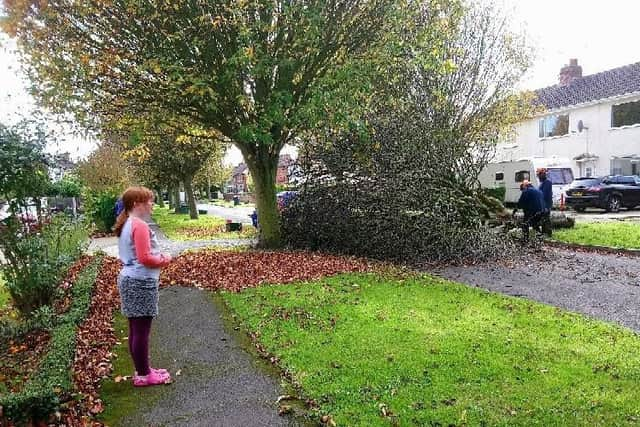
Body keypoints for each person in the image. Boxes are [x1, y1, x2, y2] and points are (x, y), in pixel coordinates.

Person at [114, 187, 172, 387]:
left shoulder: (128, 223)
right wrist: (164, 259)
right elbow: (145, 258)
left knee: (135, 329)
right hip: (140, 282)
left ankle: (143, 370)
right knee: (141, 331)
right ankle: (144, 375)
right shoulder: (138, 225)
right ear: (136, 203)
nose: (152, 204)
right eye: (149, 201)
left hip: (130, 279)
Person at [537, 168, 553, 236]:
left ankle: (548, 232)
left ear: (543, 175)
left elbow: (545, 194)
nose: (538, 177)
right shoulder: (542, 183)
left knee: (546, 218)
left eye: (539, 175)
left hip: (546, 203)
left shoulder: (547, 182)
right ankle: (544, 232)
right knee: (543, 218)